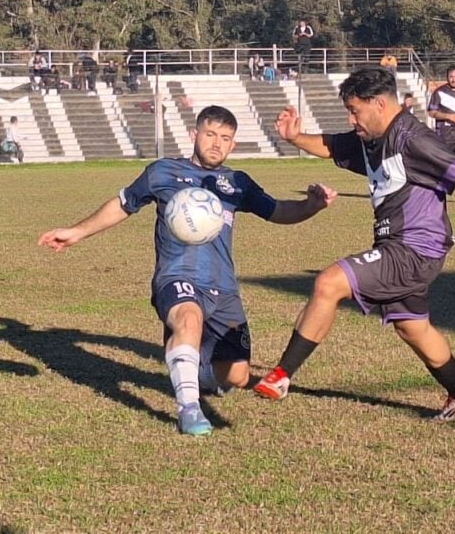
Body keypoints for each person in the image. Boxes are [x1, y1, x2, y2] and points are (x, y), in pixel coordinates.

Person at [253, 66, 455, 422]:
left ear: (379, 105)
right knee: (411, 326)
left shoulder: (413, 140)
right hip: (398, 245)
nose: (351, 118)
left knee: (329, 283)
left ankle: (280, 376)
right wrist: (295, 137)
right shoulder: (370, 137)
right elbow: (331, 145)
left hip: (415, 248)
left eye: (355, 110)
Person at [38, 105, 338, 436]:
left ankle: (191, 367)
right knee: (189, 318)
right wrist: (76, 232)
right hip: (177, 276)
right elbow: (123, 204)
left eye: (225, 138)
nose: (216, 143)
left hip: (222, 287)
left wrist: (312, 206)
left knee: (235, 376)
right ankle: (189, 409)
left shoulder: (237, 183)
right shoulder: (163, 171)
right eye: (210, 134)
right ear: (194, 135)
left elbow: (278, 210)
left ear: (233, 145)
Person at [426, 66, 455, 159]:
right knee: (446, 168)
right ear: (447, 77)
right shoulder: (439, 92)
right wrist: (448, 116)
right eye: (451, 77)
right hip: (445, 137)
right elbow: (431, 112)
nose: (453, 80)